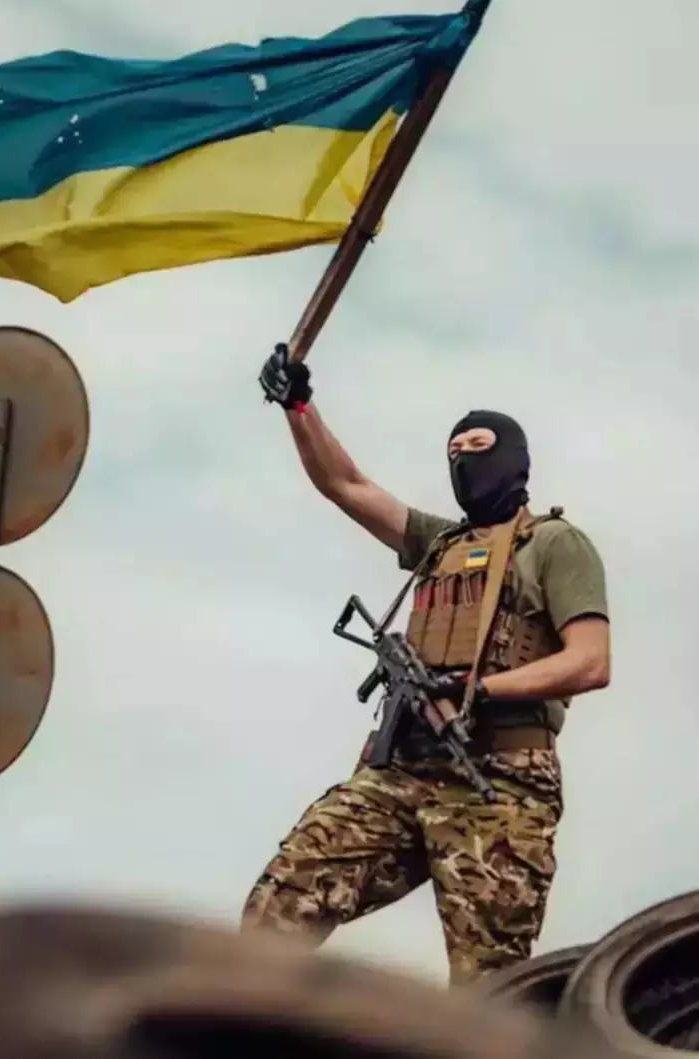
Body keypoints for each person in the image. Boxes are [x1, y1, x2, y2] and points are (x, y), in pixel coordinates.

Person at [242, 346, 611, 986]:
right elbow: (345, 484)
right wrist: (298, 405)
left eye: (479, 445)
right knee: (280, 904)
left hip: (500, 780)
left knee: (489, 984)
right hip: (404, 769)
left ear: (514, 457)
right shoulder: (438, 543)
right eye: (453, 451)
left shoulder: (554, 544)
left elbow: (590, 661)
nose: (464, 458)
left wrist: (479, 688)